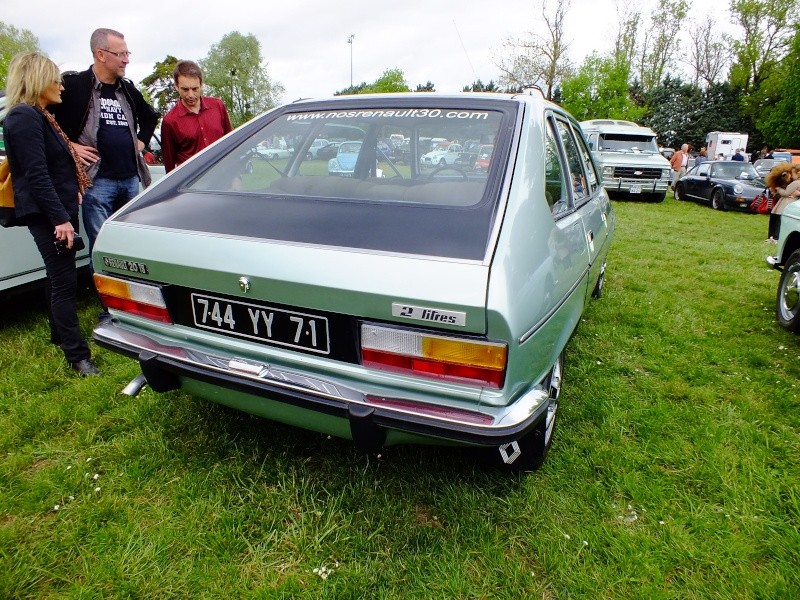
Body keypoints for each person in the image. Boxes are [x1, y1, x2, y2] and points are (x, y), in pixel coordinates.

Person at [4, 52, 99, 377]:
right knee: (63, 280)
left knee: (57, 273)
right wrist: (60, 219)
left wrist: (69, 188)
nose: (61, 85)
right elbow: (35, 174)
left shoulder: (40, 115)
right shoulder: (23, 118)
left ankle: (59, 335)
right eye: (55, 78)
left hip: (57, 207)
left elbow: (53, 166)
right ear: (37, 80)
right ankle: (78, 356)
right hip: (48, 215)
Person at [50, 28, 159, 257]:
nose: (126, 59)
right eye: (120, 54)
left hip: (130, 177)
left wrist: (140, 142)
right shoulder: (74, 86)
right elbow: (45, 121)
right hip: (96, 181)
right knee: (103, 248)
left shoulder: (127, 88)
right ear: (101, 54)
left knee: (130, 245)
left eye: (127, 53)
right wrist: (69, 145)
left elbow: (150, 117)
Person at [161, 60, 233, 173]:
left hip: (223, 177)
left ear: (201, 84)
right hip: (193, 184)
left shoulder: (218, 106)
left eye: (195, 89)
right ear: (176, 86)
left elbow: (231, 143)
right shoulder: (169, 121)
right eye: (185, 89)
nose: (190, 95)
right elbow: (169, 166)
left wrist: (236, 177)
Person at [767, 163, 800, 242]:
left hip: (786, 203)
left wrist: (778, 189)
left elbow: (786, 193)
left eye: (792, 173)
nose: (791, 176)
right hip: (789, 202)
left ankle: (775, 236)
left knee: (778, 219)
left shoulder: (795, 183)